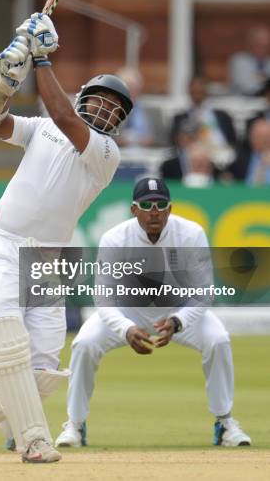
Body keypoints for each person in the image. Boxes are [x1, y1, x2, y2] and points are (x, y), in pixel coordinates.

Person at [0, 13, 133, 465]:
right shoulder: (42, 128)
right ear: (87, 96)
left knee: (44, 373)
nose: (106, 109)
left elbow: (66, 116)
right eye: (101, 100)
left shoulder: (105, 152)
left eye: (116, 108)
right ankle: (33, 441)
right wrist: (7, 81)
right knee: (8, 337)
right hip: (5, 245)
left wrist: (41, 58)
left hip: (51, 258)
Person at [55, 177, 251, 449]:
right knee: (84, 344)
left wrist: (178, 321)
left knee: (218, 340)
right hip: (127, 310)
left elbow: (204, 293)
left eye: (161, 205)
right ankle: (75, 424)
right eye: (147, 205)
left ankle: (225, 422)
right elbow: (104, 297)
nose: (154, 211)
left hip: (177, 310)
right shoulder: (115, 238)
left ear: (170, 208)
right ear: (134, 210)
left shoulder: (191, 234)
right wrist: (125, 328)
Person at [170, 77, 236, 168]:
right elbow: (175, 143)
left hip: (221, 158)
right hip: (193, 159)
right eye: (195, 92)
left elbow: (233, 141)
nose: (197, 95)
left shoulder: (222, 116)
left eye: (200, 92)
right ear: (189, 92)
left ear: (206, 92)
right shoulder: (180, 118)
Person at [228, 25, 270, 96]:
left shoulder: (268, 60)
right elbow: (247, 87)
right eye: (259, 45)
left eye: (266, 46)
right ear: (250, 44)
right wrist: (265, 81)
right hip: (241, 103)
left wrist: (260, 79)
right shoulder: (239, 60)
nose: (263, 49)